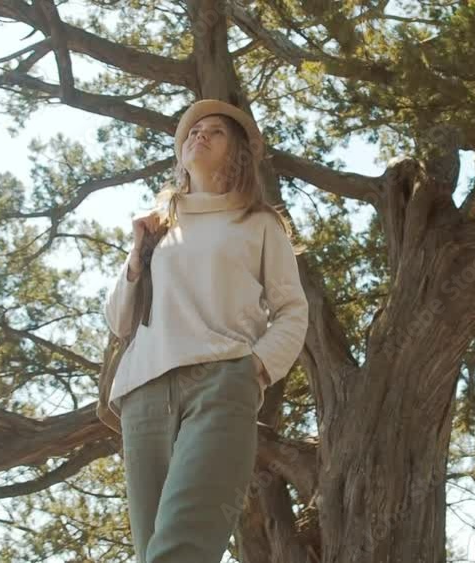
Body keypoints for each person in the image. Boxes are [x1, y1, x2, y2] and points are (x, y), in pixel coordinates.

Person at [102, 99, 309, 563]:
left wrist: (252, 370)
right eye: (192, 131)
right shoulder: (158, 228)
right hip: (143, 395)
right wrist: (137, 256)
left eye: (214, 131)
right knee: (152, 552)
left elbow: (293, 310)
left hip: (221, 386)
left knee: (181, 550)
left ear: (235, 151)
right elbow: (119, 321)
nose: (199, 134)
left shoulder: (258, 224)